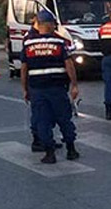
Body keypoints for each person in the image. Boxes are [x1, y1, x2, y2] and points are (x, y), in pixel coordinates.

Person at [20, 10, 80, 164]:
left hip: (38, 90)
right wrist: (74, 85)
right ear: (50, 24)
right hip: (57, 89)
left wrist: (25, 89)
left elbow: (24, 68)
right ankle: (71, 150)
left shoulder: (28, 44)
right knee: (64, 119)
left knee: (43, 122)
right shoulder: (59, 43)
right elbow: (69, 65)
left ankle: (49, 153)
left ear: (38, 25)